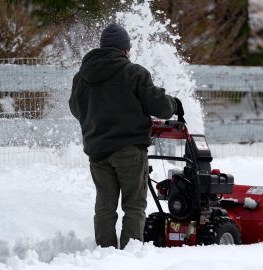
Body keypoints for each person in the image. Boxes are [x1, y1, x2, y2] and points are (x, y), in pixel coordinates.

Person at [68, 23, 184, 249]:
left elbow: (75, 109)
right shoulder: (134, 72)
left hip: (97, 150)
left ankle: (104, 252)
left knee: (104, 205)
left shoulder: (81, 77)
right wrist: (174, 104)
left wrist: (98, 119)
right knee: (133, 205)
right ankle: (129, 254)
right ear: (125, 50)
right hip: (129, 149)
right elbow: (159, 106)